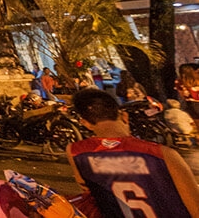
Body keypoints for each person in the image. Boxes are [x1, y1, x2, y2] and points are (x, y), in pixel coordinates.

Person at [68, 88, 199, 217]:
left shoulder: (76, 152)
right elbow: (195, 207)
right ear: (124, 116)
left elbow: (88, 193)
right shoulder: (162, 154)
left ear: (85, 123)